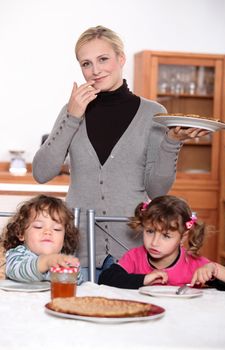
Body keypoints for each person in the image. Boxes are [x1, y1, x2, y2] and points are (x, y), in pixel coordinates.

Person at [32, 25, 210, 281]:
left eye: (103, 59)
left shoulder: (152, 113)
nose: (95, 70)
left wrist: (172, 141)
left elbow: (157, 189)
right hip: (77, 252)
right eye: (86, 63)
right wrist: (72, 117)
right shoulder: (72, 109)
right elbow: (41, 173)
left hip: (133, 253)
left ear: (121, 58)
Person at [98, 195, 225, 291]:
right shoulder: (135, 257)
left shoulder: (192, 262)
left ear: (182, 237)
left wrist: (214, 269)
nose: (155, 243)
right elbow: (105, 279)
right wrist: (144, 279)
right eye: (150, 232)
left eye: (166, 236)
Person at [1, 194, 83, 284]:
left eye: (57, 229)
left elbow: (76, 280)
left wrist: (70, 269)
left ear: (65, 238)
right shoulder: (17, 254)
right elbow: (17, 271)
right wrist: (47, 262)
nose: (48, 232)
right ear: (21, 233)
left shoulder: (61, 259)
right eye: (38, 227)